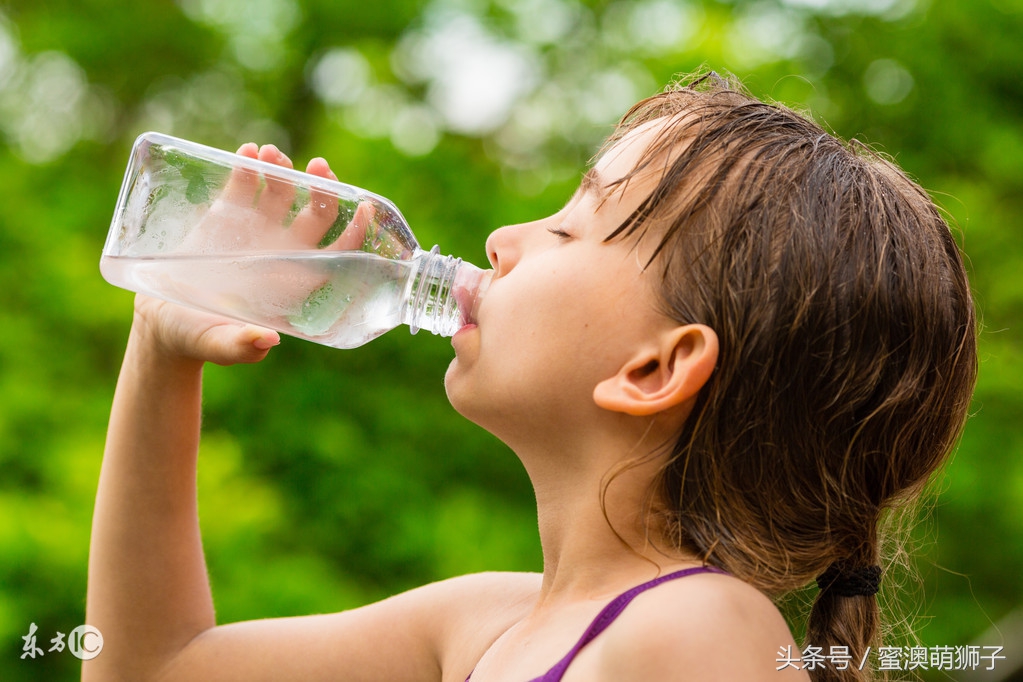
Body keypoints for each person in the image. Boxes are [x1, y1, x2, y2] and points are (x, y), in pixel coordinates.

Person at [84, 71, 977, 682]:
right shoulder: (480, 626)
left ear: (653, 368)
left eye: (567, 227)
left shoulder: (700, 629)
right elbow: (153, 665)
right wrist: (163, 341)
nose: (501, 242)